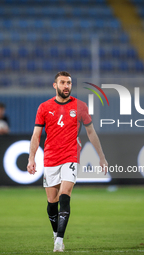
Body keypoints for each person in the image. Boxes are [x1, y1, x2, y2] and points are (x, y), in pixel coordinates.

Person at [27, 71, 108, 252]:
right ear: (55, 85)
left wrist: (101, 157)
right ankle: (56, 233)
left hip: (70, 156)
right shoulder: (44, 107)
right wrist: (31, 158)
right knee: (51, 202)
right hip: (50, 158)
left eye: (69, 83)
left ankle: (59, 241)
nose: (66, 86)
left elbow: (91, 132)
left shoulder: (80, 106)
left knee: (65, 195)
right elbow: (36, 135)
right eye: (62, 83)